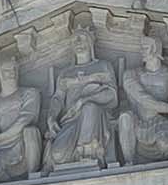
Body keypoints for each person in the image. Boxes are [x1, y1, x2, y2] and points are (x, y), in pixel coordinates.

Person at [44, 25, 119, 171]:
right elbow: (57, 98)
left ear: (90, 43)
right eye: (75, 40)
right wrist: (51, 117)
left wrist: (84, 100)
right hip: (70, 119)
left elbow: (112, 95)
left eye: (82, 38)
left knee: (89, 108)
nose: (78, 42)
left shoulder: (103, 66)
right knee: (58, 155)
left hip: (97, 119)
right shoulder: (66, 73)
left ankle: (89, 152)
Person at [117, 36, 168, 165]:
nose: (142, 51)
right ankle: (128, 163)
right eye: (141, 48)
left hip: (159, 122)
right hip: (137, 122)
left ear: (155, 49)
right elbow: (142, 98)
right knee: (125, 117)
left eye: (145, 48)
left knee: (166, 143)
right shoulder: (131, 74)